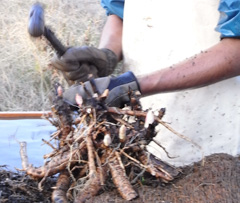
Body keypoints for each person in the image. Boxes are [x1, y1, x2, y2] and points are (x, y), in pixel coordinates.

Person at [51, 0, 240, 166]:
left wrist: (132, 85)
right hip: (141, 128)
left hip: (218, 129)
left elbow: (236, 49)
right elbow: (120, 12)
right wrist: (108, 53)